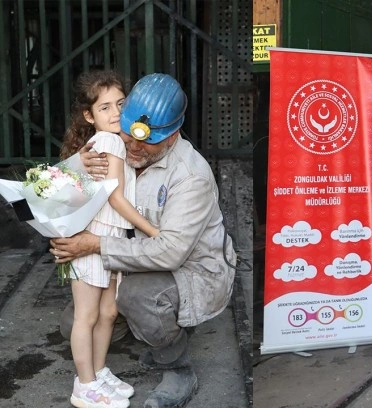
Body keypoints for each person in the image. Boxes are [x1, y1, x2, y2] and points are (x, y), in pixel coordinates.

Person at [50, 73, 237, 408]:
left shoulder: (190, 175)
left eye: (147, 141)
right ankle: (149, 330)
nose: (134, 146)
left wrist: (95, 245)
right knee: (74, 323)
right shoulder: (116, 143)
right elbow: (57, 187)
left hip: (192, 271)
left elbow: (170, 253)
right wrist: (77, 163)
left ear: (172, 135)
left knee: (138, 297)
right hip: (133, 260)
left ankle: (177, 365)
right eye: (129, 134)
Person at [60, 70, 162, 408]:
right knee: (87, 315)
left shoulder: (116, 140)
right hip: (95, 236)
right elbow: (115, 198)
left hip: (111, 237)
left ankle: (99, 372)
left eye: (120, 103)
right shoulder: (109, 141)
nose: (115, 112)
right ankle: (84, 385)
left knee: (107, 312)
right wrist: (153, 231)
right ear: (89, 116)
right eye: (104, 107)